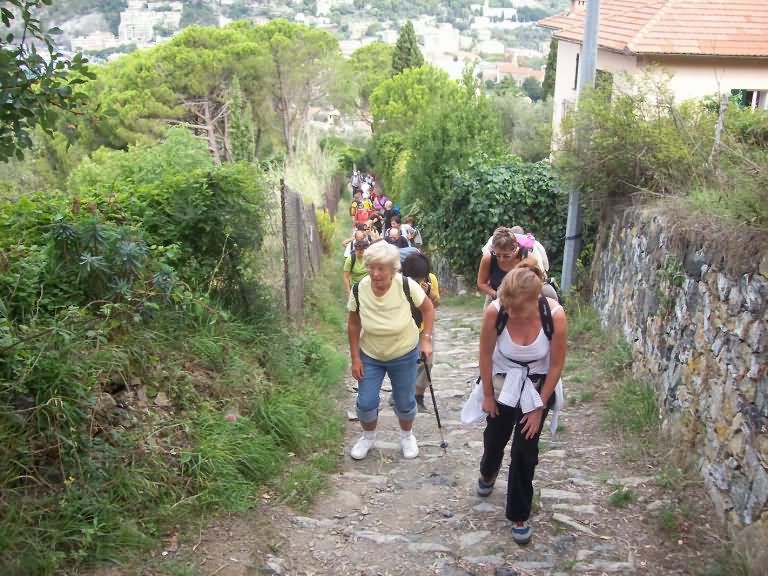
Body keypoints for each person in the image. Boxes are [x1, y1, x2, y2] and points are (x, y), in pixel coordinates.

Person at [476, 265, 567, 545]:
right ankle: (488, 471)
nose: (512, 314)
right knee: (495, 439)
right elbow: (485, 355)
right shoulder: (496, 311)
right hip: (503, 383)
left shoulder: (554, 316)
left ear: (536, 300)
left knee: (525, 451)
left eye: (518, 310)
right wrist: (488, 395)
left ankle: (519, 513)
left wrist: (539, 406)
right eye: (508, 308)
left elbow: (556, 366)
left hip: (538, 386)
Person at [347, 241, 435, 460]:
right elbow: (353, 323)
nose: (375, 274)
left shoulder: (406, 285)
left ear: (393, 269)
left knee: (404, 401)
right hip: (371, 354)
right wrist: (355, 358)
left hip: (404, 352)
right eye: (371, 267)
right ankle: (368, 437)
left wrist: (426, 340)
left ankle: (407, 436)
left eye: (381, 268)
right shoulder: (359, 289)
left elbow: (428, 308)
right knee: (366, 402)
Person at [402, 252, 440, 412]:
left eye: (420, 276)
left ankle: (418, 397)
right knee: (403, 363)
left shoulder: (430, 279)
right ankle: (400, 395)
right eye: (415, 277)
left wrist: (428, 293)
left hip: (424, 327)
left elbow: (436, 303)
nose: (418, 280)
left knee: (426, 362)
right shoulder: (398, 282)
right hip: (402, 327)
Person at [476, 228, 525, 306]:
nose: (501, 259)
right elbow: (481, 283)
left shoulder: (525, 257)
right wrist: (496, 294)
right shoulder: (488, 258)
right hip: (495, 299)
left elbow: (537, 281)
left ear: (515, 249)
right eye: (498, 255)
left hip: (522, 300)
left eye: (506, 256)